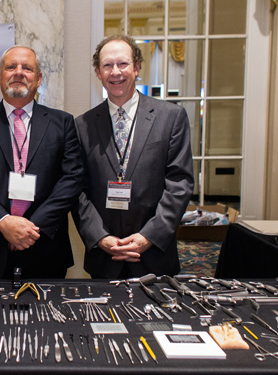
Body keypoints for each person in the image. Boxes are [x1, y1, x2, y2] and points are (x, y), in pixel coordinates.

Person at [0, 46, 82, 278]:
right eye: (11, 67)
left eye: (27, 68)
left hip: (45, 249)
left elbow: (72, 180)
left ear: (39, 79)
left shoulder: (62, 123)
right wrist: (4, 223)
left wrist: (29, 229)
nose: (19, 72)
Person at [72, 34, 194, 278]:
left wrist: (149, 236)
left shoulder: (171, 117)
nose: (115, 72)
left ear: (137, 67)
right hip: (105, 258)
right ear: (98, 72)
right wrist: (100, 237)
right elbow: (77, 190)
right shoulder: (82, 125)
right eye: (107, 65)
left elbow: (179, 184)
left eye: (123, 64)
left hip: (154, 256)